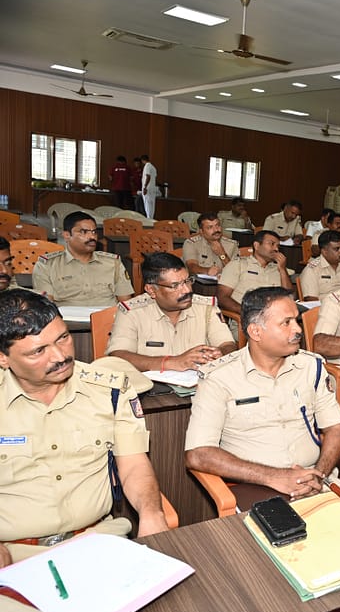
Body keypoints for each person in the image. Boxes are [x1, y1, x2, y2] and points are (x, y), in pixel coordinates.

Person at [0, 290, 169, 567]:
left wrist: (152, 513)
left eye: (63, 338)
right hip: (14, 554)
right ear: (3, 358)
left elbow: (133, 465)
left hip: (98, 541)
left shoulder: (110, 389)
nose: (60, 356)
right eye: (38, 351)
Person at [184, 287, 340, 502]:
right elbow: (198, 454)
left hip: (316, 479)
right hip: (253, 486)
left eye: (296, 320)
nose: (298, 330)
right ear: (256, 332)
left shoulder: (311, 366)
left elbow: (336, 428)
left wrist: (319, 474)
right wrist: (275, 477)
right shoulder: (219, 377)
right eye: (286, 323)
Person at [106, 252, 237, 371]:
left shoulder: (206, 308)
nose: (187, 290)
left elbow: (228, 344)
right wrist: (170, 362)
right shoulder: (132, 312)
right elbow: (119, 355)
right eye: (175, 286)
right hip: (149, 386)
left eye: (187, 281)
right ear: (151, 290)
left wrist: (221, 352)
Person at [32, 211, 134, 306]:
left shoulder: (113, 263)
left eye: (94, 232)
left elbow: (125, 303)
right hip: (67, 317)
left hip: (105, 316)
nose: (92, 237)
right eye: (84, 232)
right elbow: (46, 307)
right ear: (67, 235)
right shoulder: (47, 265)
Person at [217, 230, 292, 313]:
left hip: (275, 316)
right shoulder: (237, 265)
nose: (276, 249)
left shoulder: (279, 269)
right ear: (256, 246)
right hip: (246, 315)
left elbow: (289, 298)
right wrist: (247, 313)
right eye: (272, 244)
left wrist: (282, 270)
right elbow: (222, 298)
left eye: (278, 246)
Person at [182, 212, 238, 277]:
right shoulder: (191, 243)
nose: (216, 230)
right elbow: (191, 267)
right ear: (201, 231)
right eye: (210, 227)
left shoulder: (232, 244)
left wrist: (222, 254)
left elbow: (236, 272)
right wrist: (207, 271)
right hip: (200, 281)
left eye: (218, 225)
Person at [298, 230, 340, 301]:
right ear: (324, 251)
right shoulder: (312, 270)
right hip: (325, 306)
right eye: (337, 249)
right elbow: (311, 300)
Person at [140, 154, 159, 219]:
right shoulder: (153, 167)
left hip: (148, 189)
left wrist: (145, 187)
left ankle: (149, 220)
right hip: (152, 189)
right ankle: (151, 219)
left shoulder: (147, 166)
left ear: (142, 160)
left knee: (147, 206)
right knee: (151, 206)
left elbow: (148, 176)